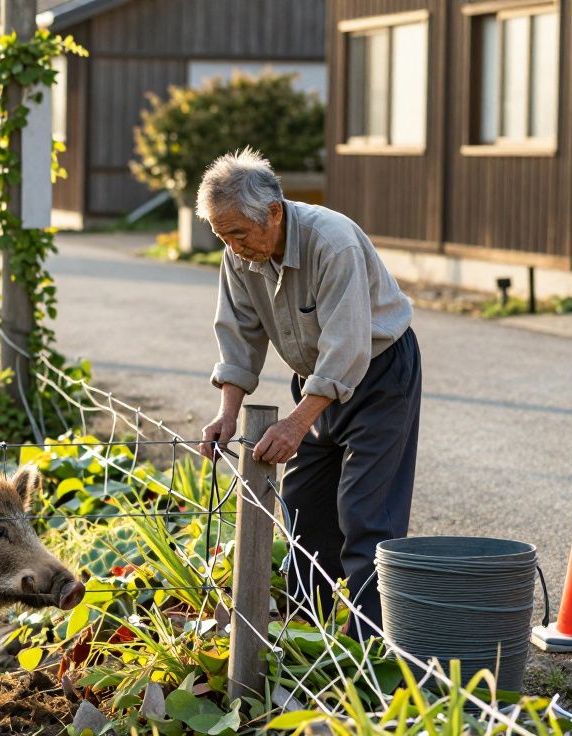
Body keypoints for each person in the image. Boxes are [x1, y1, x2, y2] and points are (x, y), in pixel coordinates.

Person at [196, 147, 422, 632]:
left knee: (366, 513)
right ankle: (306, 635)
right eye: (221, 235)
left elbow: (347, 347)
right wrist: (227, 413)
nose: (232, 246)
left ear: (273, 212)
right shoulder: (240, 254)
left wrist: (298, 422)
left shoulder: (330, 241)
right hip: (318, 380)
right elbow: (238, 333)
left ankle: (371, 644)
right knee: (303, 510)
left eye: (237, 233)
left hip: (379, 374)